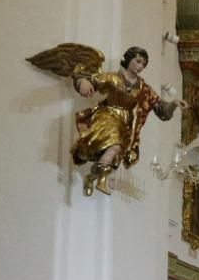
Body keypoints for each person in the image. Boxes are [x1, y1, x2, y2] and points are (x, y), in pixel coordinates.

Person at [71, 46, 187, 195]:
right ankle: (101, 182)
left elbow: (161, 109)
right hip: (108, 116)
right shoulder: (113, 78)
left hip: (127, 124)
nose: (140, 66)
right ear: (129, 60)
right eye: (138, 61)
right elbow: (88, 80)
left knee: (112, 159)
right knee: (115, 147)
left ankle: (91, 178)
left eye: (143, 64)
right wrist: (82, 83)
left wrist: (173, 104)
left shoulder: (144, 88)